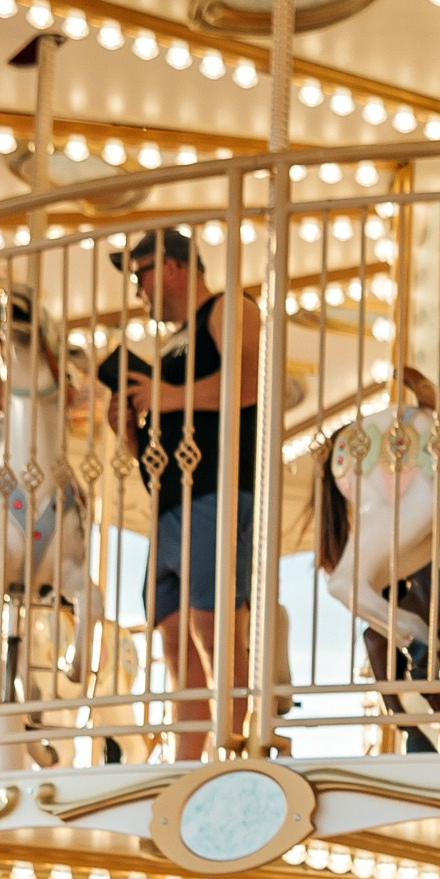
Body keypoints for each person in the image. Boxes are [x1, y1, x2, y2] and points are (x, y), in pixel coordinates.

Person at [101, 225, 261, 761]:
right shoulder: (172, 341)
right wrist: (130, 427)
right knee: (174, 639)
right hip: (171, 501)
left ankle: (231, 750)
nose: (138, 290)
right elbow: (163, 434)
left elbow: (249, 384)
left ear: (170, 266)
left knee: (212, 626)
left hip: (216, 489)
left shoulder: (229, 309)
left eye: (140, 275)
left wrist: (167, 396)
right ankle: (187, 761)